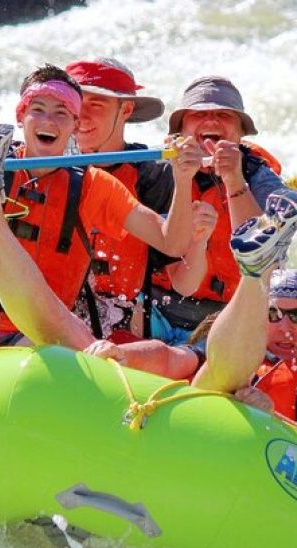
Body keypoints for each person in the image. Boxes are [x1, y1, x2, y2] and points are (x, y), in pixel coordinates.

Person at [0, 135, 297, 454]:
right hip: (200, 411)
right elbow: (168, 356)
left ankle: (256, 274)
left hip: (238, 440)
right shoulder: (233, 348)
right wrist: (118, 356)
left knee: (221, 381)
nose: (284, 326)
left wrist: (273, 420)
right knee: (214, 376)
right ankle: (256, 273)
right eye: (274, 315)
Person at [0, 63, 199, 353]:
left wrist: (183, 180)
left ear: (75, 125)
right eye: (37, 110)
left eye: (61, 113)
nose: (48, 122)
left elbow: (171, 242)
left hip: (39, 327)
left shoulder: (94, 186)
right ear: (21, 117)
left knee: (44, 341)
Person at [63, 58, 217, 341]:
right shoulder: (45, 166)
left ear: (127, 109)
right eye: (74, 105)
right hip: (53, 315)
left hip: (122, 326)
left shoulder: (151, 175)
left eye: (95, 105)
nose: (81, 118)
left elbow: (184, 284)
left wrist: (185, 185)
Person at [146, 75, 287, 345]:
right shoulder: (156, 171)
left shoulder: (259, 175)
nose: (211, 121)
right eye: (199, 114)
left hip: (226, 318)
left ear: (240, 133)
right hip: (155, 311)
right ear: (181, 130)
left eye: (224, 115)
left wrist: (234, 178)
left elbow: (265, 254)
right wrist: (182, 178)